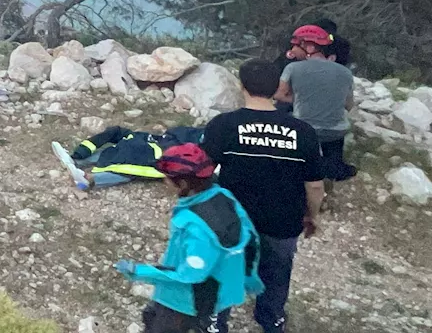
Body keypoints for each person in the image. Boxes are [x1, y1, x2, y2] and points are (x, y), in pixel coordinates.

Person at [202, 59, 325, 333]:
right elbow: (315, 186)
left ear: (241, 85)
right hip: (283, 219)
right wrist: (311, 215)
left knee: (224, 269)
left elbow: (202, 173)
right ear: (276, 89)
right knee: (277, 271)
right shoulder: (303, 132)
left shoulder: (223, 125)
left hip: (233, 219)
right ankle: (272, 319)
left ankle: (215, 322)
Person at [116, 143, 263, 333]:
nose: (164, 182)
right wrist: (250, 279)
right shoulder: (223, 196)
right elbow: (251, 239)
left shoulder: (194, 225)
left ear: (183, 184)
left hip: (185, 302)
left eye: (167, 179)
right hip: (220, 291)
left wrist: (140, 271)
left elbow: (190, 275)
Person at [276, 25, 358, 190]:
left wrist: (300, 98)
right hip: (336, 131)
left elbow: (279, 95)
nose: (292, 49)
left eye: (297, 45)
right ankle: (333, 169)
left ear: (310, 47)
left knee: (283, 113)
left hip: (304, 130)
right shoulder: (345, 72)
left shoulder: (292, 68)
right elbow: (349, 105)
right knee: (333, 150)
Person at [52, 125, 205, 191]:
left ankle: (88, 178)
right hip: (157, 143)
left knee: (133, 167)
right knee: (119, 150)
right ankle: (77, 160)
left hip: (161, 154)